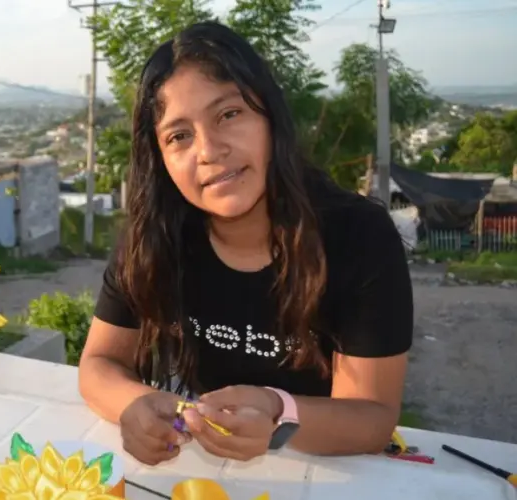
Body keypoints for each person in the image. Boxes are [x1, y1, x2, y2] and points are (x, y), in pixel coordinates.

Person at [77, 21, 413, 466]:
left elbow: (371, 419)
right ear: (160, 159)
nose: (209, 150)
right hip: (198, 469)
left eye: (229, 114)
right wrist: (133, 405)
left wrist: (278, 412)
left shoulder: (359, 236)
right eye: (179, 136)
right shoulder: (154, 236)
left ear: (270, 117)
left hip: (322, 464)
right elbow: (98, 364)